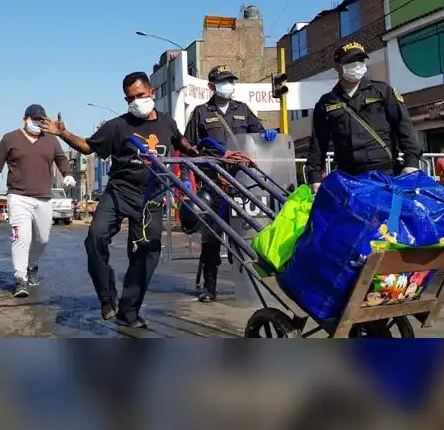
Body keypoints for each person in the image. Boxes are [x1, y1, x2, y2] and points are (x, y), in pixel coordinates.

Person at [40, 72, 204, 328]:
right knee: (95, 238)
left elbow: (184, 146)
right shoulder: (117, 126)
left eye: (140, 95)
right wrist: (63, 133)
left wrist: (209, 153)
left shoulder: (167, 123)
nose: (136, 102)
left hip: (151, 197)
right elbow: (87, 147)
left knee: (146, 255)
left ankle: (129, 311)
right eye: (130, 98)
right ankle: (107, 298)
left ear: (152, 93)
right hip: (119, 192)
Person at [183, 64, 278, 302]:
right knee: (212, 237)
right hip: (214, 184)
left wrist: (268, 136)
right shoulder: (201, 113)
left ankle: (253, 286)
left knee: (247, 235)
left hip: (242, 185)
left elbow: (258, 135)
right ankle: (209, 287)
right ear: (212, 86)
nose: (228, 86)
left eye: (230, 81)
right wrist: (188, 178)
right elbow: (188, 147)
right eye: (223, 82)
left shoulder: (243, 110)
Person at [305, 41, 422, 192]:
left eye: (360, 60)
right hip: (348, 179)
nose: (357, 65)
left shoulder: (382, 91)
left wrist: (411, 162)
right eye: (350, 61)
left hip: (385, 175)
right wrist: (314, 177)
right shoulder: (327, 102)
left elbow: (403, 126)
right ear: (337, 65)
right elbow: (318, 143)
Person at [0, 104, 75, 298]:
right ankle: (20, 279)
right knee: (21, 238)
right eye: (34, 120)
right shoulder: (10, 139)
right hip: (18, 196)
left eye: (41, 121)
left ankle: (32, 265)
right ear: (25, 119)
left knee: (42, 239)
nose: (37, 124)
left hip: (44, 197)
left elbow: (61, 158)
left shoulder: (51, 140)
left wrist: (67, 173)